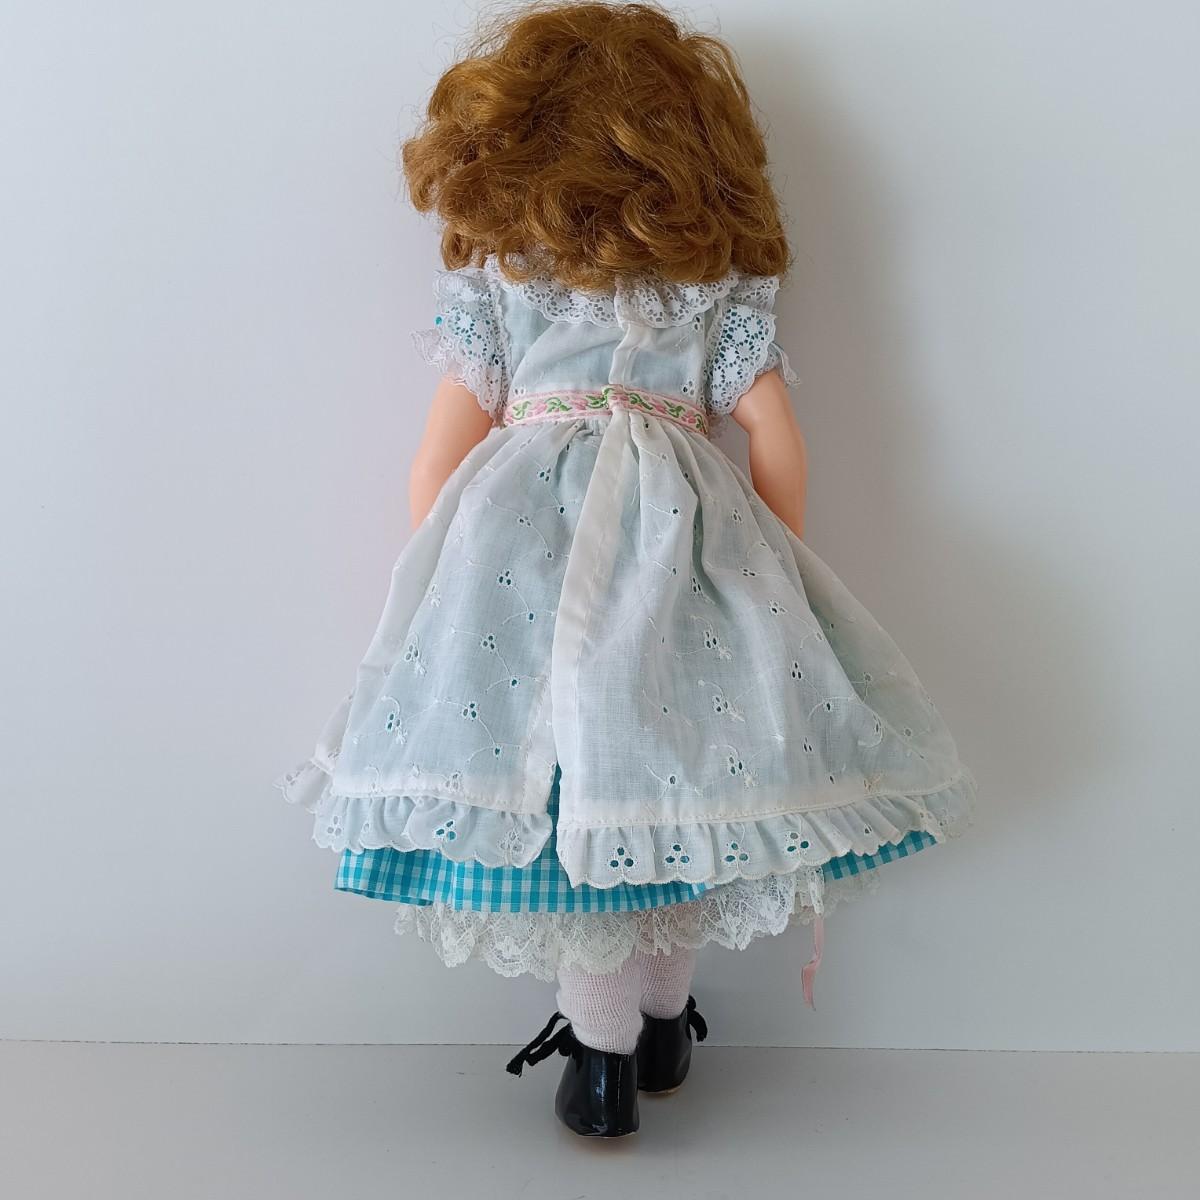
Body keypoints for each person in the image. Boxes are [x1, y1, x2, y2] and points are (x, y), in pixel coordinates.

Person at [276, 1, 977, 1139]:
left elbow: (436, 459)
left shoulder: (507, 285)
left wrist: (435, 575)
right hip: (683, 558)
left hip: (522, 569)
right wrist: (781, 570)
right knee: (675, 788)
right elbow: (778, 440)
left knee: (580, 800)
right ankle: (654, 1031)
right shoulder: (711, 292)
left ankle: (604, 1059)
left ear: (505, 148)